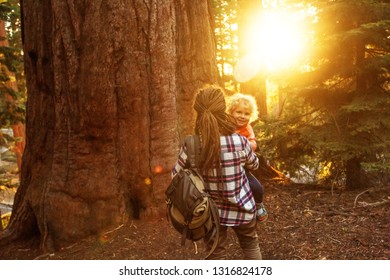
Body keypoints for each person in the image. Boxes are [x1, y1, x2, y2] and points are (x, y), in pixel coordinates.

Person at [171, 85, 262, 260]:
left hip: (210, 214)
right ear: (224, 110)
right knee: (250, 246)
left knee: (215, 253)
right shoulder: (240, 141)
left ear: (198, 111)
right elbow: (255, 164)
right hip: (242, 207)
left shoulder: (191, 144)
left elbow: (175, 176)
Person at [227, 93, 268, 223]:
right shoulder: (226, 126)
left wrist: (243, 144)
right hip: (227, 164)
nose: (242, 116)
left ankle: (258, 205)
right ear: (231, 112)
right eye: (238, 112)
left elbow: (253, 144)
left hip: (243, 165)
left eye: (246, 114)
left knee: (257, 187)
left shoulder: (248, 128)